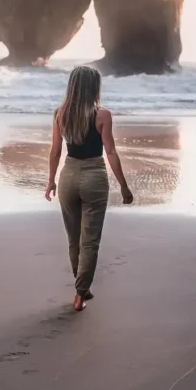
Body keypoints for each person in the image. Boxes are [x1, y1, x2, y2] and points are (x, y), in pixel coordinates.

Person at [45, 64, 133, 311]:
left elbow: (55, 152)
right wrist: (124, 186)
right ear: (95, 87)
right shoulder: (102, 115)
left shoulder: (59, 113)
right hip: (94, 176)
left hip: (68, 178)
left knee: (74, 239)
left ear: (72, 85)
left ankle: (82, 287)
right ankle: (80, 293)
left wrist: (51, 181)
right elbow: (111, 151)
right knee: (90, 241)